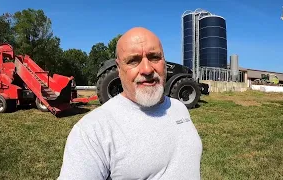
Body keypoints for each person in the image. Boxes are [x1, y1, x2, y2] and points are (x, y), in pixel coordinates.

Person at [58, 27, 203, 180]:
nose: (147, 70)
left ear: (164, 61)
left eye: (154, 57)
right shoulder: (92, 131)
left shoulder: (179, 108)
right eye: (133, 61)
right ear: (119, 68)